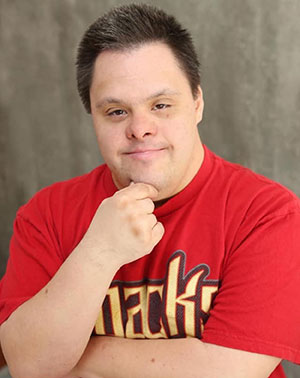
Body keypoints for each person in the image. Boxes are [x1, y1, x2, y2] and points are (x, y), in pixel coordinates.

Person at [0, 4, 299, 378]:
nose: (140, 128)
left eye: (161, 105)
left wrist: (75, 357)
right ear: (92, 116)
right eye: (116, 112)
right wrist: (99, 253)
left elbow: (228, 371)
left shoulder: (267, 213)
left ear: (197, 103)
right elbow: (27, 364)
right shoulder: (45, 215)